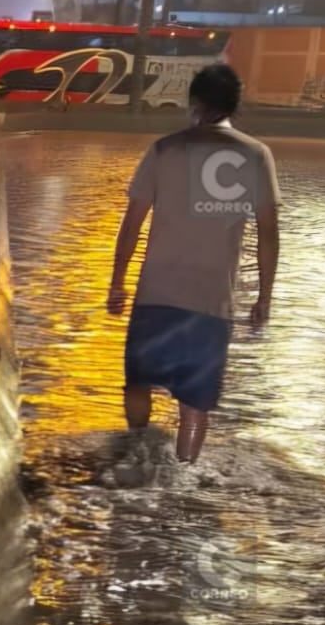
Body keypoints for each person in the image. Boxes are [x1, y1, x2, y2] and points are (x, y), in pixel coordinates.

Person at [106, 64, 281, 464]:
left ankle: (138, 454)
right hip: (211, 301)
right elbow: (269, 233)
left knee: (138, 383)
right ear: (235, 105)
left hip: (156, 293)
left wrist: (117, 281)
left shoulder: (165, 149)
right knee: (195, 405)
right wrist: (264, 297)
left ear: (194, 103)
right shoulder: (256, 154)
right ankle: (183, 479)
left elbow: (132, 223)